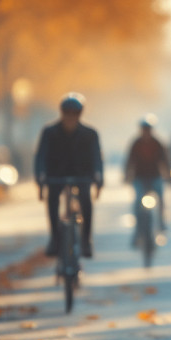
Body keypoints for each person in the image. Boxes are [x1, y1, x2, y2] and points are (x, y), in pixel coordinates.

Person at [34, 93, 104, 258]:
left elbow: (97, 157)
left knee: (86, 201)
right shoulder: (49, 132)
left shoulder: (90, 134)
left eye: (75, 113)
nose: (70, 116)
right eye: (67, 112)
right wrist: (40, 176)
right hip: (56, 175)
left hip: (82, 176)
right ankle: (54, 238)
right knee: (52, 200)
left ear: (80, 114)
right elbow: (40, 156)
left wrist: (98, 176)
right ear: (62, 112)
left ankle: (86, 240)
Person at [125, 114, 170, 239]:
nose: (146, 132)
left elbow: (165, 161)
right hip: (139, 178)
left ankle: (161, 223)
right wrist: (127, 175)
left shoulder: (158, 143)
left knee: (161, 198)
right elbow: (129, 161)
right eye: (144, 129)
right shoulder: (136, 143)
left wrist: (168, 175)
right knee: (137, 202)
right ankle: (137, 230)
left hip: (155, 177)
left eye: (148, 129)